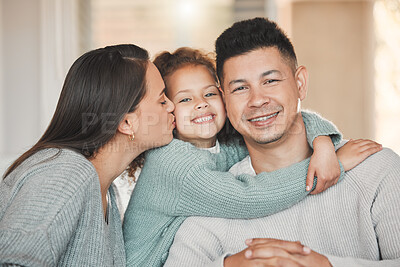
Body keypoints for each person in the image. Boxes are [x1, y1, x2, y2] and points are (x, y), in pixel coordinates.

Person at [163, 18, 397, 267]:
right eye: (241, 88)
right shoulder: (212, 204)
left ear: (300, 84)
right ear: (224, 100)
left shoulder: (377, 170)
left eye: (270, 81)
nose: (257, 100)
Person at [0, 44, 175, 266]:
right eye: (161, 100)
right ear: (126, 122)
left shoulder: (105, 190)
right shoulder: (65, 174)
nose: (171, 106)